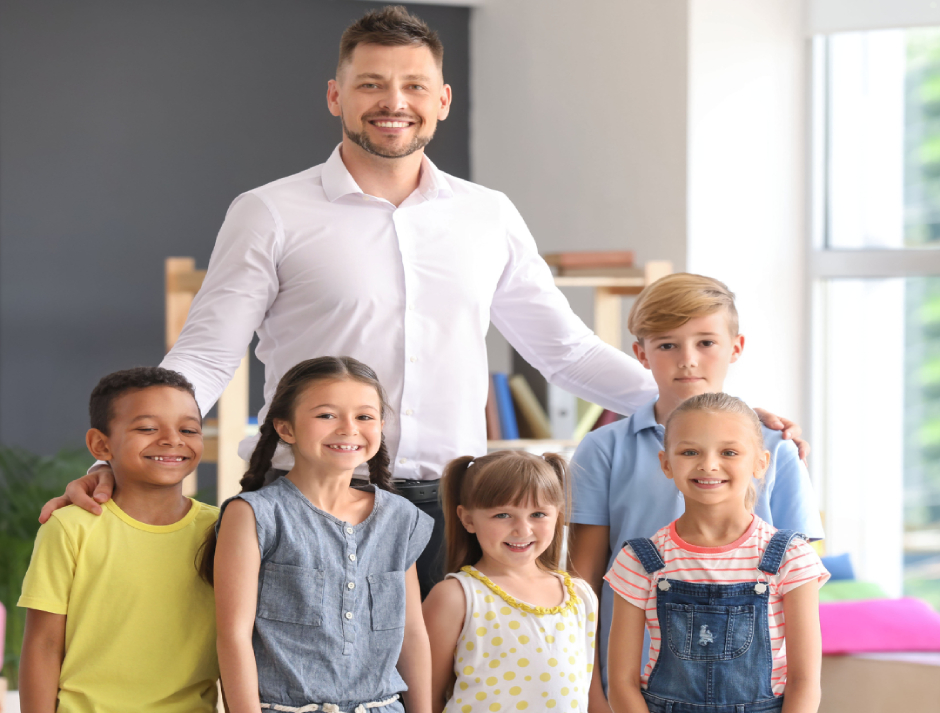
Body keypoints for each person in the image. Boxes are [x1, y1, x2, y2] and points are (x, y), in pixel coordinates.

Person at [39, 6, 804, 599]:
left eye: (411, 87)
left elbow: (564, 350)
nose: (391, 102)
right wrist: (136, 458)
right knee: (309, 695)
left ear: (440, 100)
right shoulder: (269, 211)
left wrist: (708, 413)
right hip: (310, 495)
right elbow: (207, 351)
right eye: (371, 84)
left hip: (456, 501)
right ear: (337, 94)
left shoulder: (488, 213)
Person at [567, 273, 825, 713]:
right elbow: (581, 590)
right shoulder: (603, 450)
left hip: (759, 709)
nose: (687, 359)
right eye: (667, 345)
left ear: (736, 347)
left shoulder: (775, 450)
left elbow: (804, 591)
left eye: (705, 343)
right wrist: (593, 698)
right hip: (637, 704)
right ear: (641, 354)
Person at [202, 356, 438, 713]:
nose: (348, 428)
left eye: (365, 416)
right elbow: (232, 638)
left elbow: (413, 634)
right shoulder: (254, 514)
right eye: (327, 414)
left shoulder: (400, 519)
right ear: (285, 428)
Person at [605, 393, 829, 713]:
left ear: (761, 463)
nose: (709, 464)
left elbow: (806, 681)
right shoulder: (640, 559)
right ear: (666, 464)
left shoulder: (790, 556)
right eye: (690, 451)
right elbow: (622, 684)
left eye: (729, 451)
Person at [18, 368, 220, 713]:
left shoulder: (224, 531)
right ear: (100, 445)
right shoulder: (69, 527)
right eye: (148, 427)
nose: (171, 439)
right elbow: (42, 646)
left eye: (189, 428)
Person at [423, 451, 598, 713]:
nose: (522, 528)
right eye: (503, 514)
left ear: (558, 515)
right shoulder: (457, 597)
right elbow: (425, 701)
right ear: (468, 519)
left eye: (538, 514)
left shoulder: (580, 597)